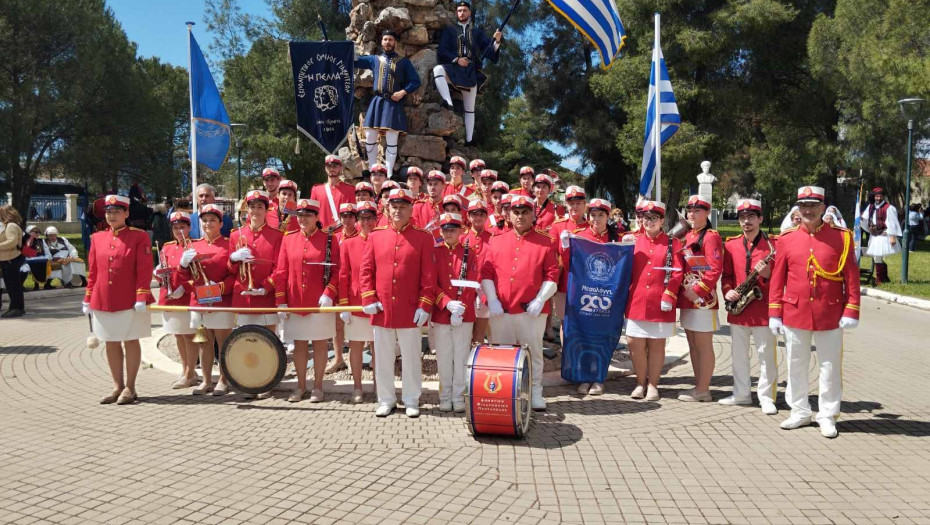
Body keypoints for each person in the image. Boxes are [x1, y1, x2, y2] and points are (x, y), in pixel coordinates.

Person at [769, 186, 860, 438]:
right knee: (795, 363)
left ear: (823, 207)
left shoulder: (842, 237)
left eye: (813, 205)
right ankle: (799, 411)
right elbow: (778, 278)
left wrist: (851, 309)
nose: (808, 210)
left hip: (829, 312)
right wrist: (774, 312)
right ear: (798, 209)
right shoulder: (786, 238)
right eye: (803, 206)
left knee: (829, 365)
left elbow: (851, 276)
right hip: (795, 311)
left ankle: (828, 415)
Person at [360, 189, 436, 417]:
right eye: (394, 206)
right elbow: (366, 270)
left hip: (410, 309)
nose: (398, 210)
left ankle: (411, 399)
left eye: (403, 206)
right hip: (382, 308)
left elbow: (429, 276)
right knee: (382, 358)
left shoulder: (423, 237)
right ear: (387, 208)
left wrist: (424, 305)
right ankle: (386, 399)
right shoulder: (375, 236)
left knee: (412, 357)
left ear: (411, 209)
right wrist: (368, 297)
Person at [481, 194, 560, 411]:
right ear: (508, 214)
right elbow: (486, 273)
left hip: (531, 311)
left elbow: (552, 276)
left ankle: (535, 392)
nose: (520, 216)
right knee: (501, 354)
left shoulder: (546, 242)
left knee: (533, 352)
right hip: (501, 310)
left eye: (525, 212)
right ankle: (504, 393)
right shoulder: (495, 240)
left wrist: (540, 300)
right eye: (516, 212)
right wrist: (493, 300)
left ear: (533, 214)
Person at [82, 195, 154, 404]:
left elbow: (144, 268)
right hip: (103, 298)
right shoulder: (97, 238)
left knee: (130, 340)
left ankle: (130, 387)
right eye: (109, 212)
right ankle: (117, 386)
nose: (112, 215)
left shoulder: (139, 237)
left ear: (126, 214)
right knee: (111, 342)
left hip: (130, 299)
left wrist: (142, 295)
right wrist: (88, 296)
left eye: (117, 212)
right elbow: (93, 270)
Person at [274, 199, 340, 403]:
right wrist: (281, 301)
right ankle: (301, 386)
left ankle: (318, 387)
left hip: (319, 302)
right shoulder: (288, 239)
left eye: (308, 215)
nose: (303, 219)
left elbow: (338, 271)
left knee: (320, 344)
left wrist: (329, 293)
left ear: (317, 217)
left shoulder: (330, 240)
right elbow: (281, 271)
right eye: (300, 215)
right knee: (299, 345)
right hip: (295, 301)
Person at [720, 199, 778, 415]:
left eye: (751, 217)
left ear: (760, 219)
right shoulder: (731, 244)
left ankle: (766, 397)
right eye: (743, 218)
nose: (746, 221)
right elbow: (726, 275)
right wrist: (727, 291)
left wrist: (768, 275)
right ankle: (741, 393)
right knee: (739, 355)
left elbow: (783, 279)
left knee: (766, 355)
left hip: (763, 308)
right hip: (739, 308)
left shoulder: (773, 245)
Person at [559, 198, 621, 396]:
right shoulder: (580, 237)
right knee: (582, 334)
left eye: (600, 215)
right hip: (583, 295)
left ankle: (599, 378)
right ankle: (583, 377)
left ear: (607, 216)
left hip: (607, 297)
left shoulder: (617, 238)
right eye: (593, 214)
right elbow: (569, 266)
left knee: (602, 336)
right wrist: (565, 247)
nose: (596, 218)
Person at [624, 201, 684, 401]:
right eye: (646, 218)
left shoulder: (672, 243)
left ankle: (653, 385)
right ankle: (640, 383)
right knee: (635, 342)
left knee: (657, 344)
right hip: (637, 300)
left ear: (662, 220)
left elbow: (677, 273)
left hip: (660, 300)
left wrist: (670, 294)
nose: (649, 222)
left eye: (654, 218)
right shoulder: (631, 240)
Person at [228, 190, 284, 398]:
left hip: (266, 297)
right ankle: (248, 382)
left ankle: (268, 381)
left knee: (269, 341)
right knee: (245, 341)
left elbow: (280, 268)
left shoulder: (277, 236)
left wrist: (266, 287)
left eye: (260, 207)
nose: (256, 211)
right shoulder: (235, 235)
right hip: (243, 296)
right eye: (252, 206)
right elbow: (230, 270)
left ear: (266, 209)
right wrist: (233, 259)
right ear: (247, 209)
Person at [182, 204, 236, 396]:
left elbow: (235, 275)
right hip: (199, 302)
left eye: (212, 220)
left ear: (221, 223)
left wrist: (219, 287)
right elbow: (184, 276)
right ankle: (206, 380)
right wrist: (183, 264)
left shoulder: (229, 245)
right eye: (204, 220)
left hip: (221, 301)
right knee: (204, 342)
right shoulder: (193, 245)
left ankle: (223, 379)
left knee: (223, 343)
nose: (208, 223)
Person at [432, 0, 502, 145]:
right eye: (459, 11)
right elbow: (442, 51)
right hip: (454, 67)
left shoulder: (477, 32)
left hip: (471, 71)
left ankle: (469, 140)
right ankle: (448, 102)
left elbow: (489, 52)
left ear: (469, 13)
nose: (462, 13)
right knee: (437, 70)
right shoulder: (449, 31)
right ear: (456, 13)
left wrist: (496, 42)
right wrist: (457, 59)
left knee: (470, 108)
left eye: (464, 10)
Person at [355, 30, 422, 178]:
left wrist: (403, 92)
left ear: (395, 43)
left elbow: (415, 81)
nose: (387, 42)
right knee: (370, 135)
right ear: (381, 42)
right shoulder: (374, 59)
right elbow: (354, 60)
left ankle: (389, 172)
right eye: (385, 39)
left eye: (390, 40)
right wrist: (332, 47)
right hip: (377, 101)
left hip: (393, 103)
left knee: (392, 138)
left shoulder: (403, 62)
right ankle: (373, 170)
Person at [676, 195, 723, 403]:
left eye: (697, 211)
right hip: (688, 297)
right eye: (690, 211)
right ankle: (699, 385)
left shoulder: (710, 236)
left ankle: (703, 389)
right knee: (693, 343)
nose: (692, 215)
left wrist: (699, 290)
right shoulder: (689, 235)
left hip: (703, 300)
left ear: (706, 213)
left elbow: (715, 269)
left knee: (703, 344)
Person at [432, 212, 480, 412]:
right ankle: (445, 395)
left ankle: (459, 396)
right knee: (444, 356)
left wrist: (461, 308)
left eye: (453, 229)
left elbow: (472, 283)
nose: (448, 233)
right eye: (445, 229)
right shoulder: (434, 252)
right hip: (442, 312)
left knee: (461, 356)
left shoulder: (470, 252)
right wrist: (447, 303)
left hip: (463, 313)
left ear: (461, 231)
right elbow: (430, 283)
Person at [339, 200, 379, 403]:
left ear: (376, 219)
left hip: (378, 304)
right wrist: (344, 305)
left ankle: (379, 385)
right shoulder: (348, 243)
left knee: (378, 348)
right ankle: (357, 387)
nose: (366, 222)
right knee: (355, 346)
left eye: (370, 218)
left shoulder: (383, 241)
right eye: (363, 218)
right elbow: (343, 276)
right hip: (356, 303)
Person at [155, 212, 198, 389]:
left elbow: (198, 276)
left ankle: (190, 373)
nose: (179, 231)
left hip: (187, 297)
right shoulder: (167, 247)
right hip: (170, 297)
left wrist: (185, 288)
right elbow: (165, 272)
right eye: (175, 228)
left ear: (189, 228)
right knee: (178, 335)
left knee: (189, 335)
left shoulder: (195, 247)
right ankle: (185, 369)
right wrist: (157, 274)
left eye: (182, 227)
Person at [551, 186, 590, 340]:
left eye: (578, 203)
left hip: (586, 284)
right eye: (571, 203)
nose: (575, 207)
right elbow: (552, 254)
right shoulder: (558, 225)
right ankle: (566, 356)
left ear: (584, 204)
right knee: (565, 322)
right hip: (564, 283)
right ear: (566, 205)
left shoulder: (591, 227)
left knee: (585, 322)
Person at [461, 200, 492, 345]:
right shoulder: (461, 238)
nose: (478, 218)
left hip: (484, 289)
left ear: (486, 217)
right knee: (464, 331)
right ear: (468, 216)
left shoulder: (493, 239)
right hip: (465, 289)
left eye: (481, 214)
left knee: (479, 333)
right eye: (474, 214)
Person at [860, 187, 901, 285]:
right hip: (874, 235)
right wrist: (859, 217)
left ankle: (879, 279)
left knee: (877, 256)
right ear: (874, 197)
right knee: (876, 257)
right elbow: (865, 218)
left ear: (883, 197)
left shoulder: (889, 208)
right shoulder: (870, 207)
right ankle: (884, 277)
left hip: (883, 234)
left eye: (880, 196)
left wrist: (892, 236)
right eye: (876, 196)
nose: (878, 198)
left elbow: (892, 222)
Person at [310, 155, 357, 230]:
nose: (332, 169)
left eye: (335, 166)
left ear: (341, 168)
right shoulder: (316, 190)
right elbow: (312, 214)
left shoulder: (350, 190)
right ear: (325, 168)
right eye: (329, 166)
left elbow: (354, 214)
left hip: (343, 234)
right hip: (323, 233)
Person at [0, 205, 26, 318]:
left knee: (12, 285)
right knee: (13, 284)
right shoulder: (11, 225)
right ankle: (18, 307)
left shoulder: (11, 226)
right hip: (8, 258)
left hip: (10, 259)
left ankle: (16, 308)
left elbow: (12, 242)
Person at [20, 225, 49, 289]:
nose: (38, 234)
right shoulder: (23, 240)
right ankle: (20, 285)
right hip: (26, 260)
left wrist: (47, 257)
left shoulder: (41, 241)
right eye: (36, 232)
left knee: (42, 264)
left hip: (40, 260)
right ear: (29, 232)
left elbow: (47, 251)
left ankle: (38, 285)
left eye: (39, 232)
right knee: (25, 268)